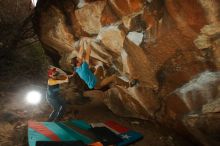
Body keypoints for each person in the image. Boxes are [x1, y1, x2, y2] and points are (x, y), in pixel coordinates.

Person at [70, 39, 138, 90]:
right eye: (79, 60)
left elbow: (80, 53)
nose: (81, 59)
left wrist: (82, 41)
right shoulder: (84, 67)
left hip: (94, 78)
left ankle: (105, 78)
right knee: (114, 77)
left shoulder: (76, 68)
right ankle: (128, 85)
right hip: (97, 84)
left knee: (100, 68)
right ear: (78, 63)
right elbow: (88, 52)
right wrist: (89, 43)